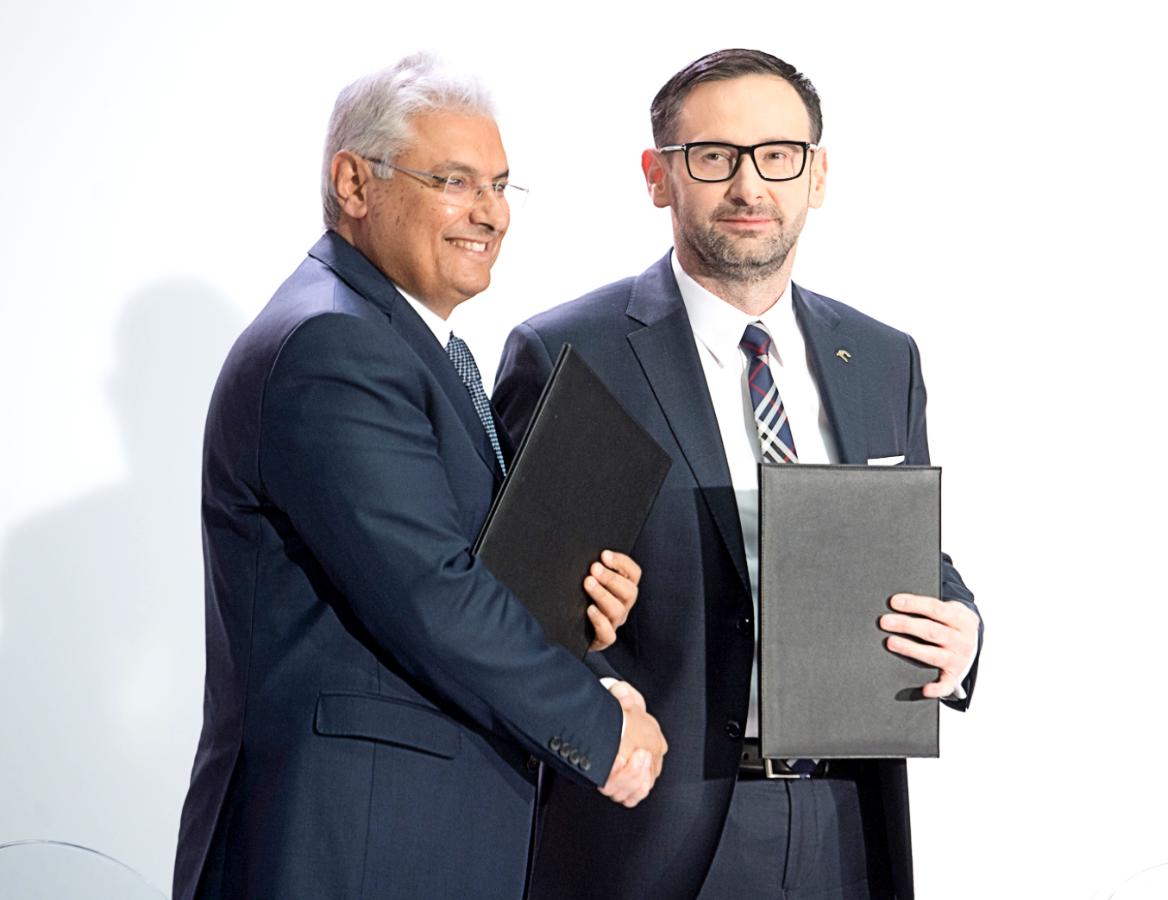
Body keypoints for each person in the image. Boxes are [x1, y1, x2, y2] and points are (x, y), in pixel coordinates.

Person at [172, 53, 666, 900]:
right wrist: (597, 724)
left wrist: (574, 618)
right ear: (353, 184)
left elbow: (462, 569)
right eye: (454, 181)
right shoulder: (334, 346)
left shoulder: (401, 344)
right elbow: (430, 594)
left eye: (500, 186)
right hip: (346, 846)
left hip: (405, 836)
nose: (491, 212)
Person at [493, 49, 983, 900]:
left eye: (778, 155)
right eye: (714, 157)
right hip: (649, 829)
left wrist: (964, 631)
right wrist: (596, 693)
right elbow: (508, 609)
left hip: (845, 821)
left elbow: (911, 555)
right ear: (658, 176)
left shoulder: (881, 358)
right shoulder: (575, 352)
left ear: (817, 174)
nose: (749, 186)